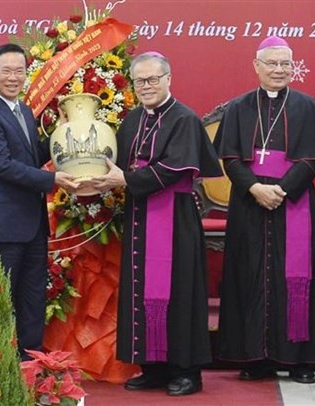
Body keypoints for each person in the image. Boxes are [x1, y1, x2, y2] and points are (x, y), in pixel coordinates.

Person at [92, 51, 222, 396]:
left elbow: (173, 168)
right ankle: (152, 366)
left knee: (180, 290)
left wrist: (126, 180)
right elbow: (116, 164)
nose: (146, 86)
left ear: (168, 79)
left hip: (174, 217)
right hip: (140, 215)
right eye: (139, 81)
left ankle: (186, 371)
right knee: (141, 288)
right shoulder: (133, 120)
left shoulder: (185, 119)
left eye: (153, 79)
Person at [213, 36, 315, 384]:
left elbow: (312, 158)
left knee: (296, 279)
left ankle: (299, 360)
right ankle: (255, 357)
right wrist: (254, 188)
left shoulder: (307, 105)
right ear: (257, 66)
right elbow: (229, 158)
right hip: (249, 203)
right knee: (248, 276)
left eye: (285, 64)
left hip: (292, 202)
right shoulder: (238, 107)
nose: (279, 70)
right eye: (272, 63)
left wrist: (281, 190)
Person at [0, 44, 78, 360]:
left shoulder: (24, 111)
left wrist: (57, 136)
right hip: (3, 226)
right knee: (0, 299)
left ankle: (30, 362)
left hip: (32, 225)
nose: (14, 77)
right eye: (6, 70)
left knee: (32, 298)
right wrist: (53, 180)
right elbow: (2, 165)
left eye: (20, 71)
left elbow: (30, 158)